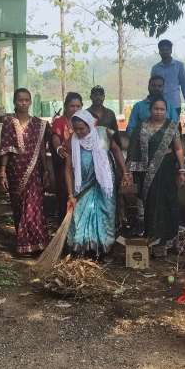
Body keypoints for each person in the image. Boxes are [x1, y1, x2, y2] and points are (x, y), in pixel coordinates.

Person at [65, 110, 130, 259]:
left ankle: (102, 248)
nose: (78, 132)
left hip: (104, 185)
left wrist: (125, 172)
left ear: (89, 125)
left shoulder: (103, 133)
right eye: (76, 129)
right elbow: (68, 169)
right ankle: (83, 248)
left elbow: (116, 150)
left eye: (82, 128)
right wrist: (70, 194)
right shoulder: (72, 141)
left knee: (104, 213)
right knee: (80, 215)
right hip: (82, 185)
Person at [126, 96, 185, 256]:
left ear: (166, 111)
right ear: (150, 110)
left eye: (162, 109)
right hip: (147, 175)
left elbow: (178, 148)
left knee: (169, 204)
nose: (159, 112)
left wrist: (182, 170)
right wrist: (129, 173)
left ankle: (169, 242)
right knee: (151, 206)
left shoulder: (172, 126)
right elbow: (132, 149)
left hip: (167, 171)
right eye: (156, 109)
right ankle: (153, 242)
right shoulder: (141, 127)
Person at [0, 88, 50, 256]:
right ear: (14, 102)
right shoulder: (8, 122)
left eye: (26, 100)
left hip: (34, 172)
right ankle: (23, 243)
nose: (23, 103)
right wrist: (2, 171)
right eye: (20, 100)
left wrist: (46, 170)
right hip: (15, 171)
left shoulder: (39, 124)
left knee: (34, 207)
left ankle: (38, 243)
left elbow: (41, 149)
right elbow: (5, 148)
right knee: (19, 207)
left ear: (30, 102)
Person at [51, 92, 83, 221]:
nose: (75, 109)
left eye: (78, 106)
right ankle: (64, 224)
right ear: (65, 106)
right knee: (65, 195)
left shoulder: (86, 121)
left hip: (83, 165)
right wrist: (58, 148)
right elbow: (55, 137)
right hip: (65, 164)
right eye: (72, 106)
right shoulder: (59, 122)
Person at [150, 39, 185, 119]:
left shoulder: (179, 66)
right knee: (159, 125)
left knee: (174, 125)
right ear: (159, 51)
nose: (165, 52)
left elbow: (184, 85)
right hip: (158, 105)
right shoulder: (155, 68)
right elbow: (152, 87)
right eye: (162, 50)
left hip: (174, 104)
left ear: (171, 50)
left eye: (167, 50)